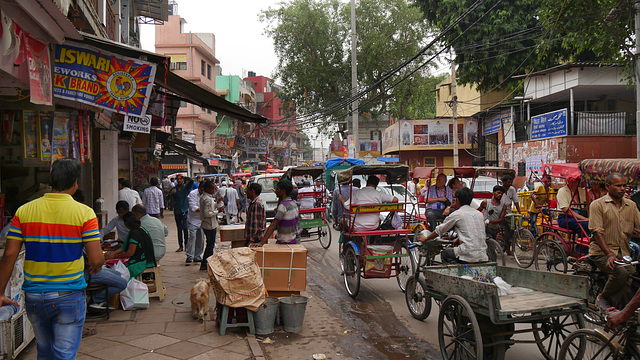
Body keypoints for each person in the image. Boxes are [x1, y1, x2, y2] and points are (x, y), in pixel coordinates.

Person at [0, 158, 104, 359]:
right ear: (76, 182)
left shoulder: (24, 211)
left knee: (45, 352)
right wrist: (95, 266)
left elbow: (8, 257)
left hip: (34, 296)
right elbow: (96, 258)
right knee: (64, 354)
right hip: (69, 294)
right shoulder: (84, 213)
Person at [590, 172, 640, 311]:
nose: (622, 189)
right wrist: (609, 255)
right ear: (608, 186)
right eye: (618, 186)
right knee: (622, 273)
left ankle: (624, 314)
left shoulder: (631, 205)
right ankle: (602, 297)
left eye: (624, 185)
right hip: (601, 253)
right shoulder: (597, 205)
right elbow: (597, 231)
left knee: (632, 278)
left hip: (623, 253)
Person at [417, 187, 488, 264]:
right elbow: (474, 231)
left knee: (444, 254)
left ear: (457, 200)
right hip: (483, 254)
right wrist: (458, 239)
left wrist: (426, 239)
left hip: (467, 254)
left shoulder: (457, 214)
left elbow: (439, 230)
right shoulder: (479, 214)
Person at [105, 212, 156, 279]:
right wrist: (114, 253)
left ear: (126, 223)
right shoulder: (141, 229)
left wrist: (115, 256)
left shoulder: (135, 233)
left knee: (117, 273)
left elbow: (130, 253)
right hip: (147, 260)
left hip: (141, 263)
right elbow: (123, 247)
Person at [254, 180, 301, 246]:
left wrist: (261, 243)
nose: (275, 191)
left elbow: (273, 225)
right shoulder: (293, 204)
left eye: (277, 189)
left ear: (283, 191)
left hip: (284, 242)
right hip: (293, 241)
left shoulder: (283, 206)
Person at [199, 181, 221, 270]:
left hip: (209, 224)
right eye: (212, 188)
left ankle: (206, 263)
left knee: (210, 244)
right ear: (207, 189)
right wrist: (217, 211)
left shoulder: (206, 197)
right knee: (210, 245)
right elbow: (207, 213)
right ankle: (206, 263)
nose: (213, 190)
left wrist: (217, 204)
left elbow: (210, 208)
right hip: (209, 224)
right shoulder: (206, 198)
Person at [171, 175, 194, 252]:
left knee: (185, 228)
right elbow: (167, 197)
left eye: (180, 179)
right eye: (178, 179)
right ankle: (180, 246)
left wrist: (185, 177)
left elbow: (191, 181)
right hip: (177, 210)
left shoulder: (185, 187)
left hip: (184, 210)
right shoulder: (174, 189)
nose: (179, 181)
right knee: (179, 229)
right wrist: (171, 193)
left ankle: (186, 244)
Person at [186, 185, 205, 264]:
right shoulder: (193, 194)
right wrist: (205, 210)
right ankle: (189, 256)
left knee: (201, 239)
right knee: (192, 236)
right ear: (199, 188)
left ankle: (197, 256)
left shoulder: (206, 195)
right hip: (193, 220)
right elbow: (193, 208)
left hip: (202, 220)